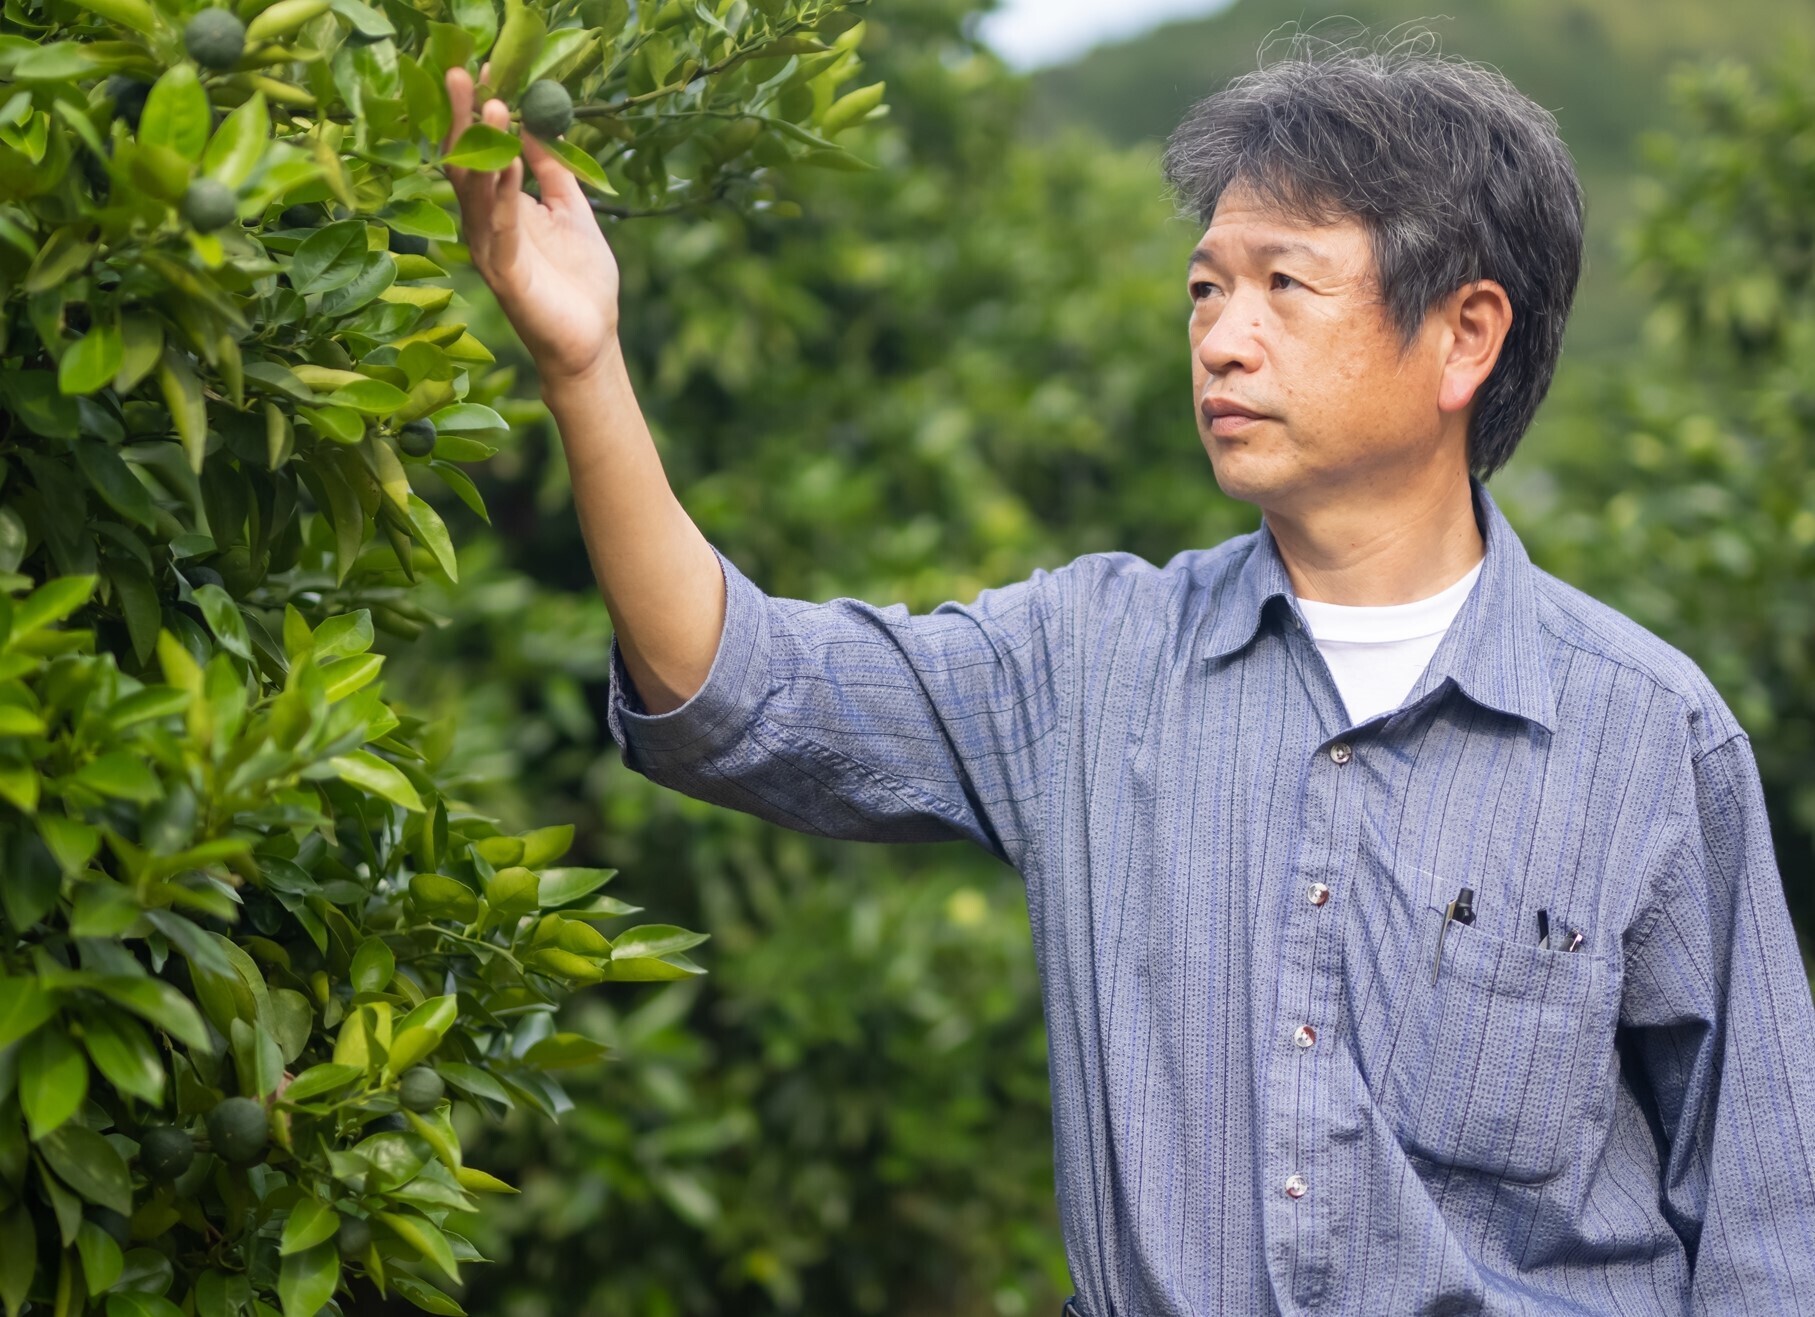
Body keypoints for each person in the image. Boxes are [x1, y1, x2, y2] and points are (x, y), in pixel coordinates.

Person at [443, 35, 1815, 1317]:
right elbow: (737, 688)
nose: (1222, 337)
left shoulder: (1647, 737)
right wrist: (582, 362)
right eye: (1207, 287)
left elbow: (1769, 1226)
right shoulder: (1089, 661)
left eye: (1285, 282)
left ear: (1465, 335)